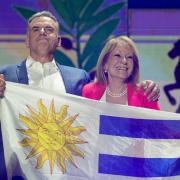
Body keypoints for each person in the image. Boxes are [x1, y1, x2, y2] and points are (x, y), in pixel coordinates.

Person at [0, 11, 159, 179]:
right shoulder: (5, 76)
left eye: (49, 29)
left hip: (70, 173)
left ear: (59, 41)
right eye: (36, 29)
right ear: (26, 40)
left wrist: (150, 88)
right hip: (20, 173)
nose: (42, 32)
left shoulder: (78, 79)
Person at [82, 36, 160, 110]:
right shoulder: (88, 91)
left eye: (129, 57)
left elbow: (158, 123)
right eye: (117, 55)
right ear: (105, 64)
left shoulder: (145, 93)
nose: (124, 61)